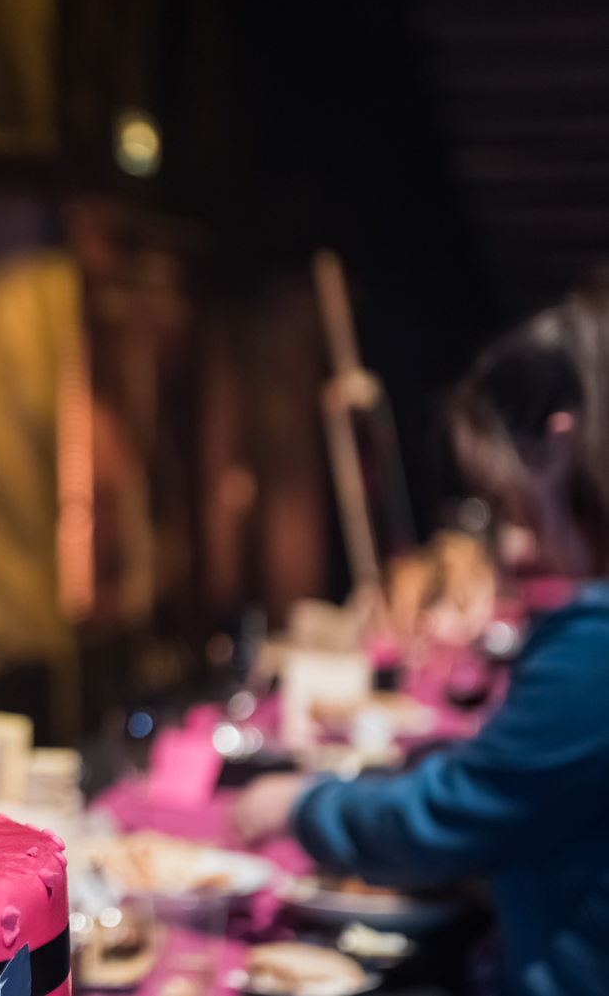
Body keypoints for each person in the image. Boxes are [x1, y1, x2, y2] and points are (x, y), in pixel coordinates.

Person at [233, 278, 609, 995]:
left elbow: (453, 815)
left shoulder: (596, 642)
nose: (519, 542)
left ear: (558, 448)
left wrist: (302, 804)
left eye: (514, 499)